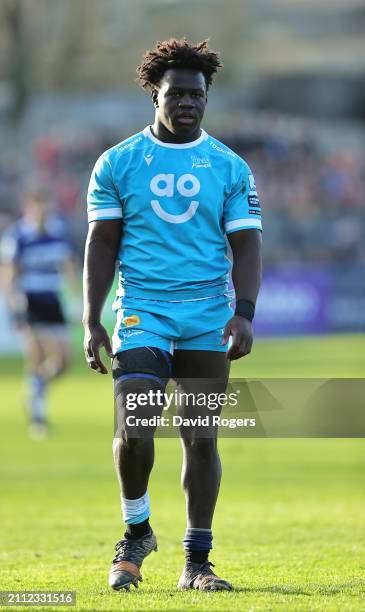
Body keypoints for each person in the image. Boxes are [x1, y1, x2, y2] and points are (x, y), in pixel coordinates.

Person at [83, 38, 262, 592]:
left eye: (197, 95)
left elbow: (248, 243)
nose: (188, 103)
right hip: (142, 311)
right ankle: (137, 532)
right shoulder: (118, 162)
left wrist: (245, 312)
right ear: (154, 96)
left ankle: (196, 564)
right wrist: (92, 320)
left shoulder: (230, 167)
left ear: (207, 98)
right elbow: (102, 242)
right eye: (177, 94)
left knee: (200, 437)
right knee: (135, 427)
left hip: (208, 315)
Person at [0, 188, 78, 438]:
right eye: (39, 206)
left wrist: (76, 301)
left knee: (64, 360)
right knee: (38, 354)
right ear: (29, 207)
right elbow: (10, 271)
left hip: (53, 299)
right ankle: (38, 416)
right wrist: (14, 304)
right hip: (29, 300)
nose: (44, 211)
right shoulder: (19, 235)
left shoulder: (58, 232)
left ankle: (34, 391)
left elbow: (68, 266)